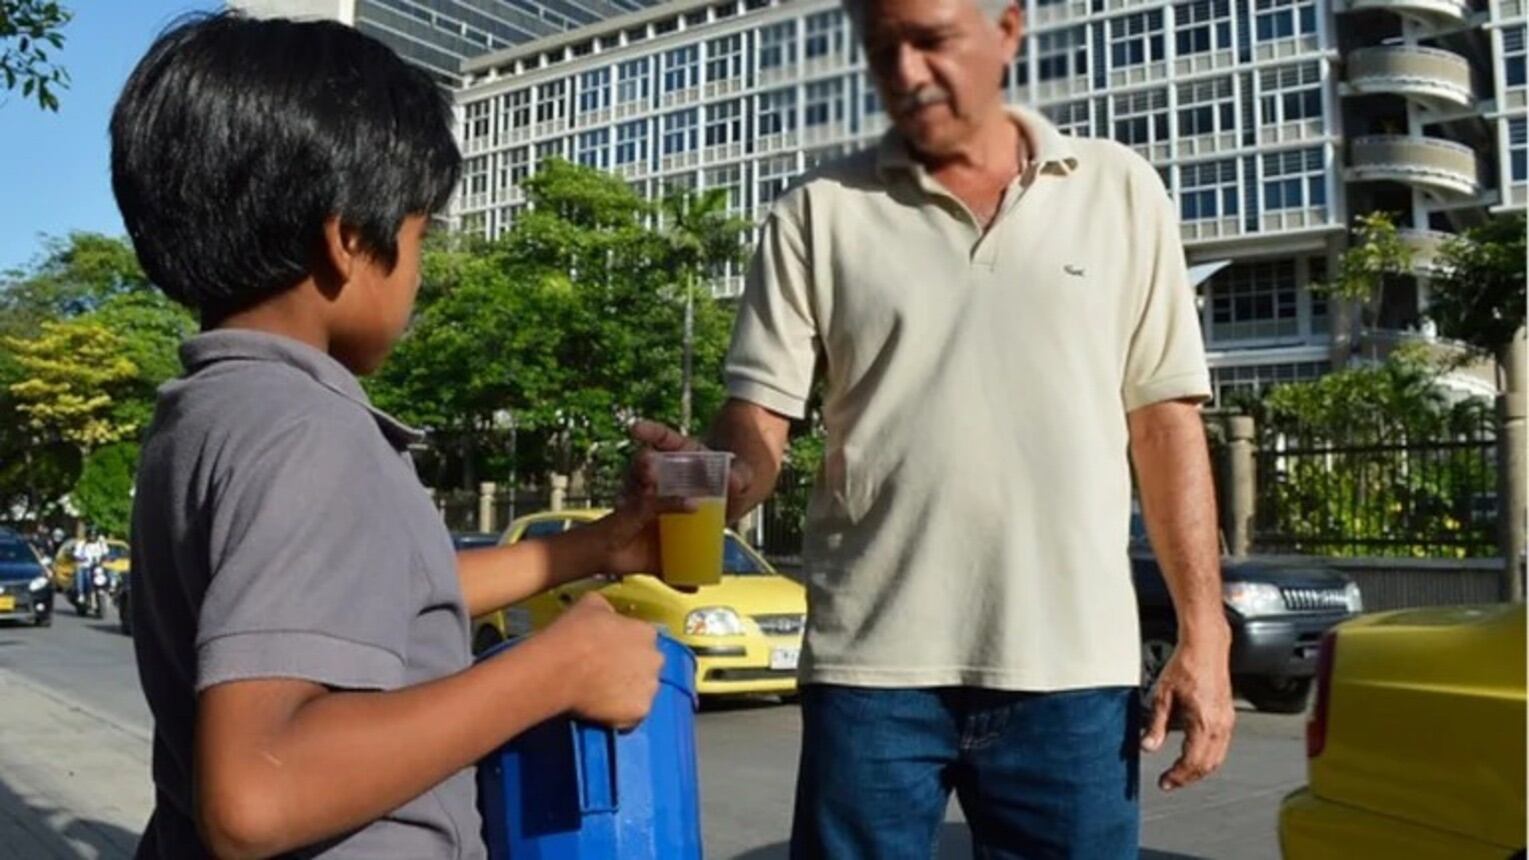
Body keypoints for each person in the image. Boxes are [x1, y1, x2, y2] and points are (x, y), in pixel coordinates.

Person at [635, 0, 1236, 856]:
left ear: (1008, 31)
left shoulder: (1118, 190)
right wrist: (714, 474)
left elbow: (1165, 423)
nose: (909, 72)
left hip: (1072, 670)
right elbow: (758, 416)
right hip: (873, 669)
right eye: (884, 51)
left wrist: (1202, 635)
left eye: (933, 40)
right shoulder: (818, 211)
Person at [112, 14, 670, 858]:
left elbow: (375, 593)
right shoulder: (309, 432)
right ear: (345, 241)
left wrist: (596, 548)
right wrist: (557, 669)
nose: (421, 269)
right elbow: (255, 792)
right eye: (418, 237)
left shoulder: (211, 411)